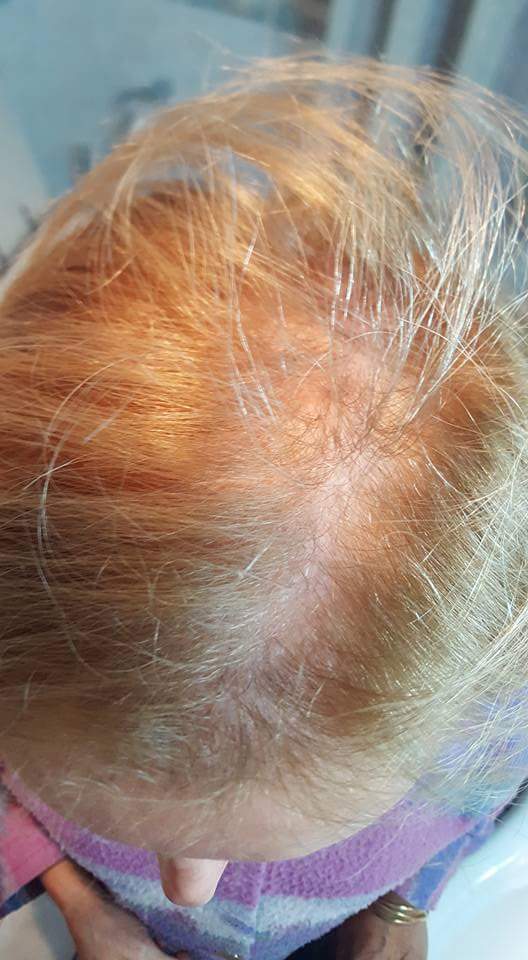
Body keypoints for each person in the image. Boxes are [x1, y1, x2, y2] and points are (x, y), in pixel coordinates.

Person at [0, 55, 527, 960]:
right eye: (112, 818)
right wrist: (88, 910)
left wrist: (400, 908)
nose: (187, 889)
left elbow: (477, 802)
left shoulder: (489, 715)